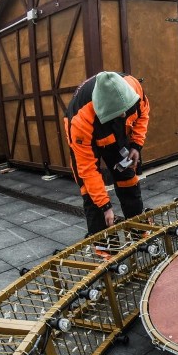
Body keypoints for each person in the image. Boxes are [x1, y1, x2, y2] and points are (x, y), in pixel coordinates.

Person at [64, 71, 150, 237]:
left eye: (126, 110)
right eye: (119, 112)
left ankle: (139, 230)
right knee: (90, 193)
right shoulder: (79, 121)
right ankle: (105, 248)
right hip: (88, 139)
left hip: (113, 133)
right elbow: (88, 170)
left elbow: (143, 114)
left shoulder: (133, 89)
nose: (125, 115)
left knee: (128, 178)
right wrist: (105, 206)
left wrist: (136, 145)